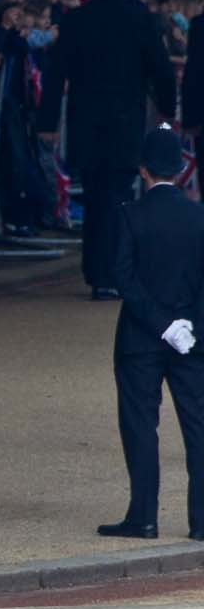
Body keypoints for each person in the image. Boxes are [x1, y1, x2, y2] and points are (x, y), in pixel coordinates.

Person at [38, 0, 178, 297]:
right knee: (115, 196)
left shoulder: (78, 19)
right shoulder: (139, 18)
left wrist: (47, 120)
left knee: (96, 194)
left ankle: (97, 269)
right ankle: (108, 273)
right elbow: (161, 68)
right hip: (124, 120)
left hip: (87, 119)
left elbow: (56, 72)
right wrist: (166, 108)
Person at [102, 126, 204, 542]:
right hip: (193, 339)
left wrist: (162, 325)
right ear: (182, 169)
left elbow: (123, 279)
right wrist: (186, 325)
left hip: (142, 338)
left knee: (141, 426)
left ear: (143, 170)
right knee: (197, 427)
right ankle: (201, 521)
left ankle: (143, 516)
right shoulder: (199, 217)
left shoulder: (131, 214)